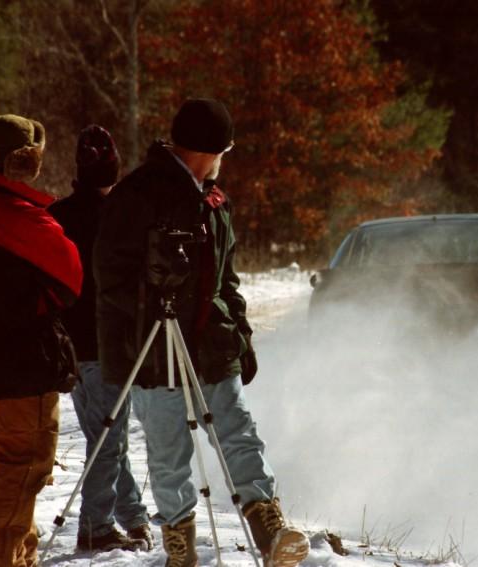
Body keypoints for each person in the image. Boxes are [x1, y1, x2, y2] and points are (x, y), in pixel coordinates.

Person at [94, 98, 307, 567]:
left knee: (237, 432)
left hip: (211, 343)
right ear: (210, 150)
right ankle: (181, 545)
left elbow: (226, 279)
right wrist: (145, 317)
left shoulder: (214, 201)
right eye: (223, 152)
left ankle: (269, 528)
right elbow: (110, 279)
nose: (222, 163)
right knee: (170, 452)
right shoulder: (138, 196)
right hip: (154, 348)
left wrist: (242, 337)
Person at [0, 114, 83, 567]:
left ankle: (20, 559)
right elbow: (72, 276)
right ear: (24, 163)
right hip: (23, 366)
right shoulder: (19, 218)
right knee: (19, 474)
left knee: (11, 472)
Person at [49, 125, 151, 553]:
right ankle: (95, 527)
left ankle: (131, 515)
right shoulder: (120, 216)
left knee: (103, 438)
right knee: (109, 442)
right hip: (106, 345)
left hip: (69, 346)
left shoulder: (58, 215)